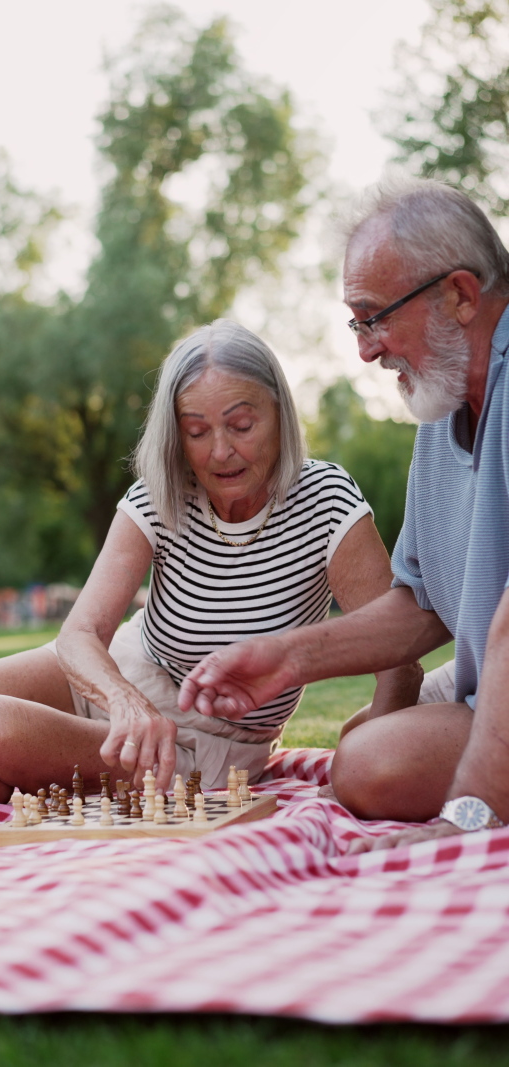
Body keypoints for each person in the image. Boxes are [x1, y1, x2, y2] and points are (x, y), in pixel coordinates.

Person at [0, 319, 420, 803]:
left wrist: (370, 759)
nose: (221, 451)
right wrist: (123, 702)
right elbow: (80, 634)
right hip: (127, 677)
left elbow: (398, 660)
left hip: (204, 738)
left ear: (280, 414)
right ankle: (13, 774)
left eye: (241, 425)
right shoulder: (160, 496)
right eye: (197, 432)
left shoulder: (326, 501)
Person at [179, 178, 509, 851]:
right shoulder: (443, 395)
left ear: (460, 295)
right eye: (355, 322)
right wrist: (285, 658)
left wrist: (468, 817)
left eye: (374, 316)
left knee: (371, 764)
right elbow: (422, 606)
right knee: (363, 748)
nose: (365, 349)